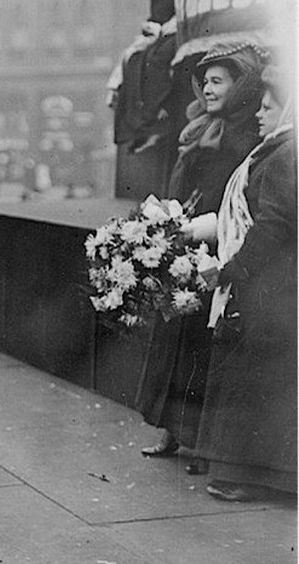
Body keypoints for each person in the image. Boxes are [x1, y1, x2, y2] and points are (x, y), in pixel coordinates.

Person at [135, 42, 267, 474]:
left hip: (219, 245)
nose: (208, 90)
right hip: (188, 240)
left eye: (218, 81)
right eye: (204, 82)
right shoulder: (197, 129)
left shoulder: (249, 134)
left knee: (201, 346)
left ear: (240, 84)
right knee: (174, 338)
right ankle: (172, 429)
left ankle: (200, 442)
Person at [188, 63, 296, 502]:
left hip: (271, 289)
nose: (259, 114)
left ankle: (247, 476)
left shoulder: (285, 155)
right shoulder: (274, 151)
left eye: (269, 107)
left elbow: (274, 223)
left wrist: (232, 270)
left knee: (255, 382)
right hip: (266, 287)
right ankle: (244, 474)